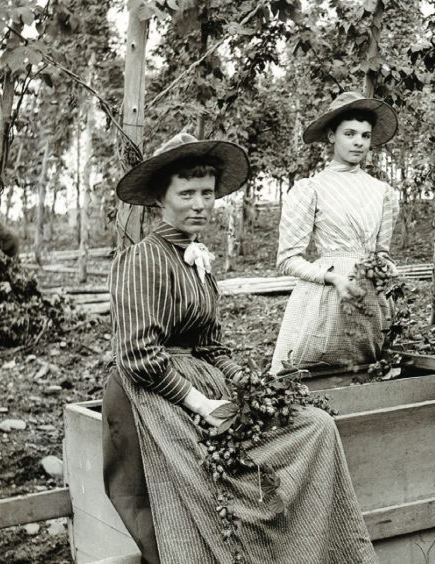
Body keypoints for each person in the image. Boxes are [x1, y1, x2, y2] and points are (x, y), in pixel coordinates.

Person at [102, 132, 378, 563]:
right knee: (221, 491)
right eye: (187, 193)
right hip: (157, 395)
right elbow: (137, 355)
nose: (199, 204)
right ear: (160, 197)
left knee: (316, 426)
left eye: (207, 194)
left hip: (202, 382)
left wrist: (250, 383)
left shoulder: (194, 260)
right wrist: (200, 403)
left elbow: (211, 347)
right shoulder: (144, 259)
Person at [270, 92, 399, 375]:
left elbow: (381, 252)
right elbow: (287, 259)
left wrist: (386, 266)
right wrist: (332, 277)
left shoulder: (382, 193)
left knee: (369, 374)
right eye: (349, 133)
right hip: (325, 298)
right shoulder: (311, 188)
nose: (358, 142)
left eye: (365, 136)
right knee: (309, 375)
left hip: (370, 296)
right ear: (331, 137)